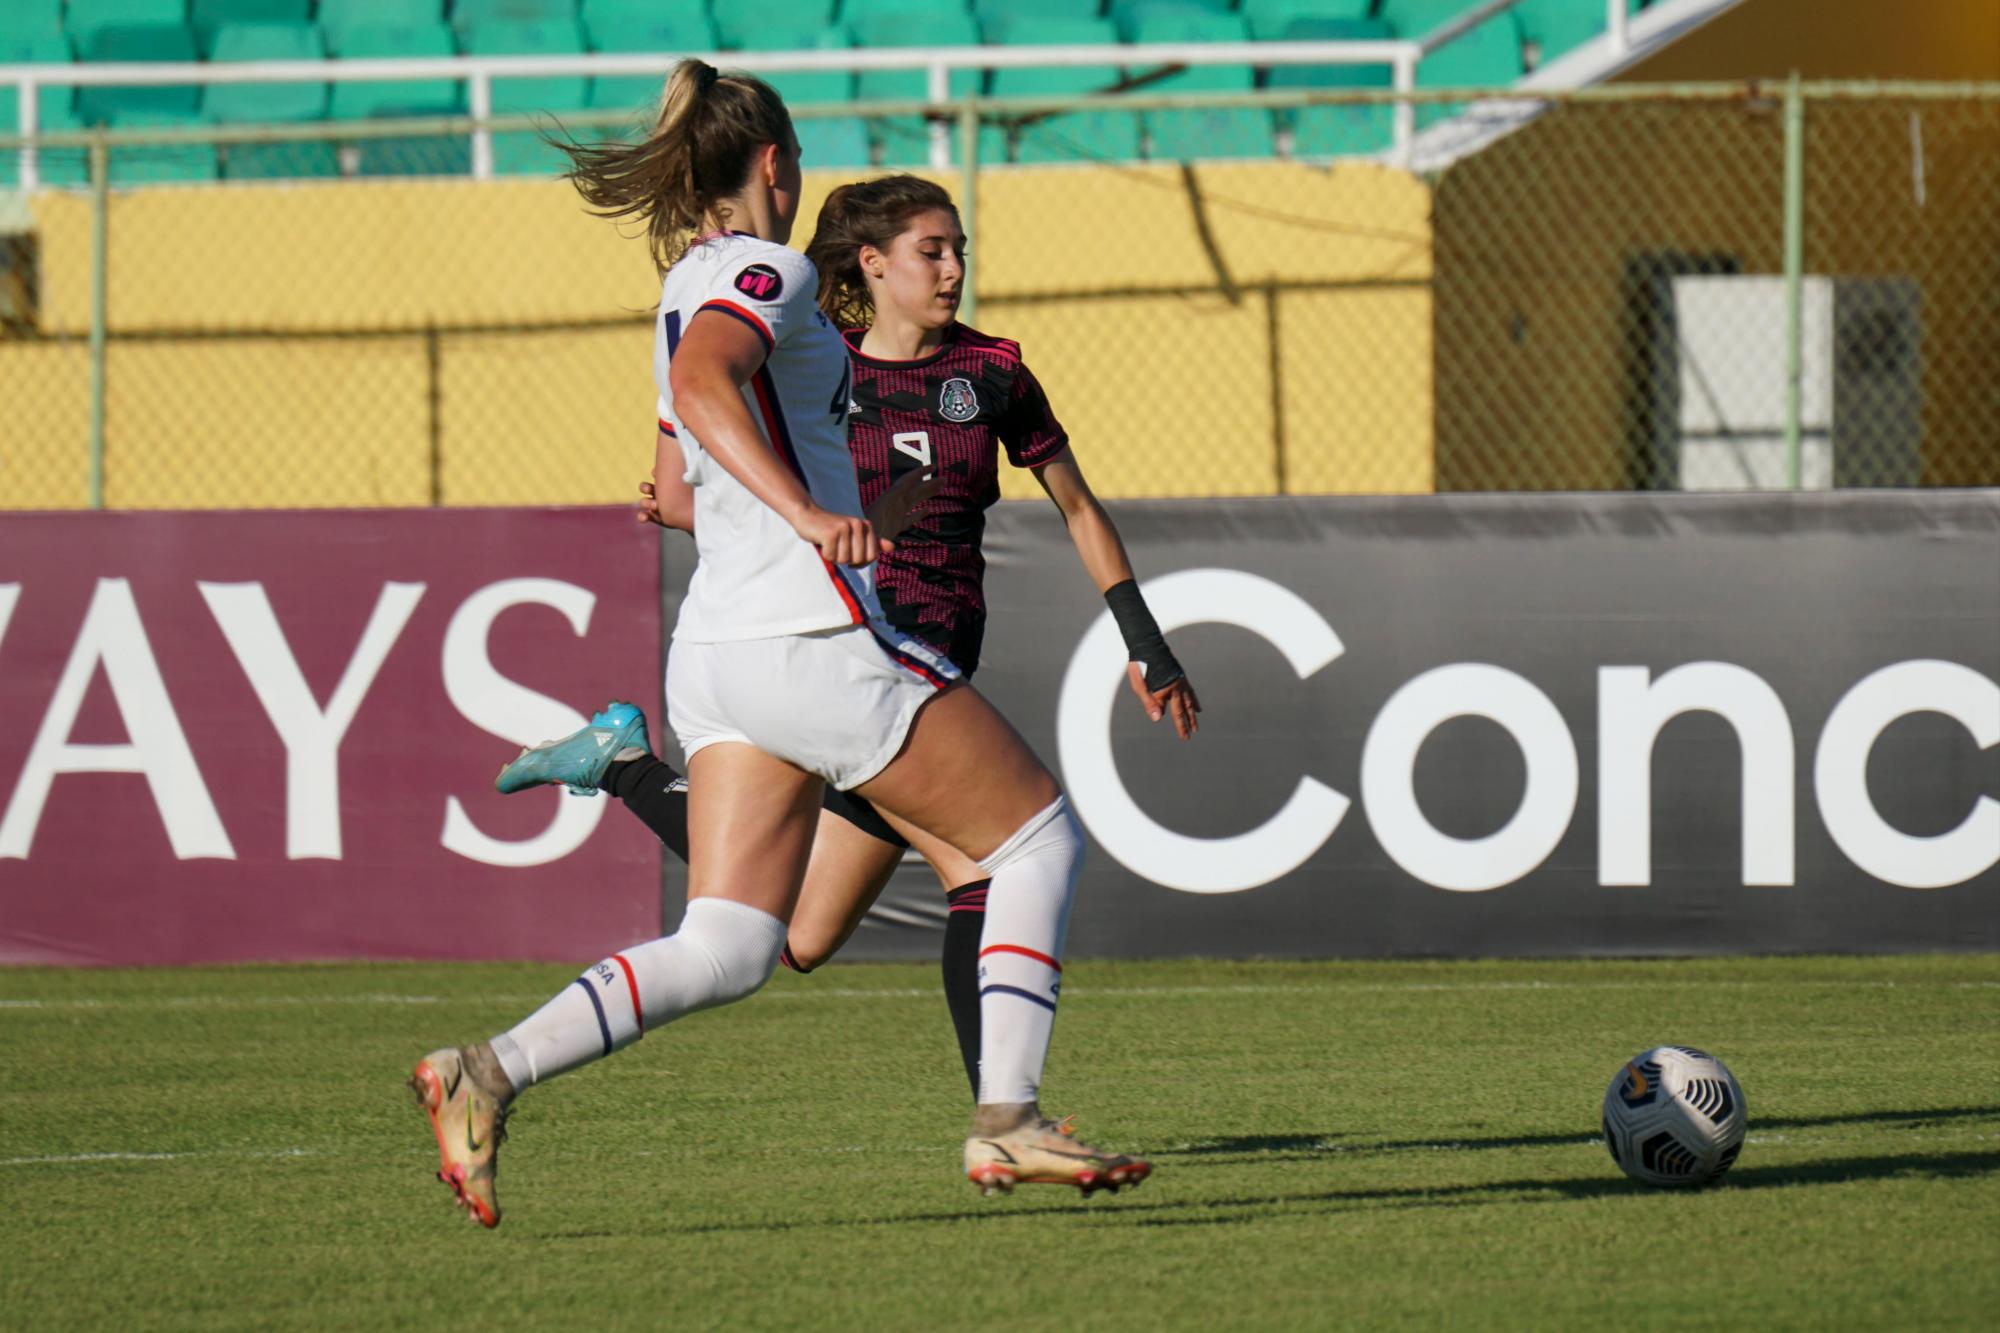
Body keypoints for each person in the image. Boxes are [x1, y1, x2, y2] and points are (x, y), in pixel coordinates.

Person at [410, 61, 1148, 1230]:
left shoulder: (684, 282)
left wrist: (809, 494)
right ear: (772, 162)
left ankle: (484, 1070)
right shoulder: (773, 270)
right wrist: (808, 512)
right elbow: (706, 380)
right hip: (806, 634)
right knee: (1030, 841)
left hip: (716, 649)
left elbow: (672, 481)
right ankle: (1008, 1116)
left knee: (731, 942)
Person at [503, 175, 1202, 1114]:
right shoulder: (814, 361)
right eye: (931, 251)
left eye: (958, 250)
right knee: (990, 862)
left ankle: (624, 766)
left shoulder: (992, 372)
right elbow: (718, 469)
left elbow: (1077, 506)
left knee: (794, 938)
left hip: (917, 666)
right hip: (848, 661)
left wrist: (1145, 640)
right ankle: (1005, 1117)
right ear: (871, 263)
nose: (953, 269)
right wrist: (685, 505)